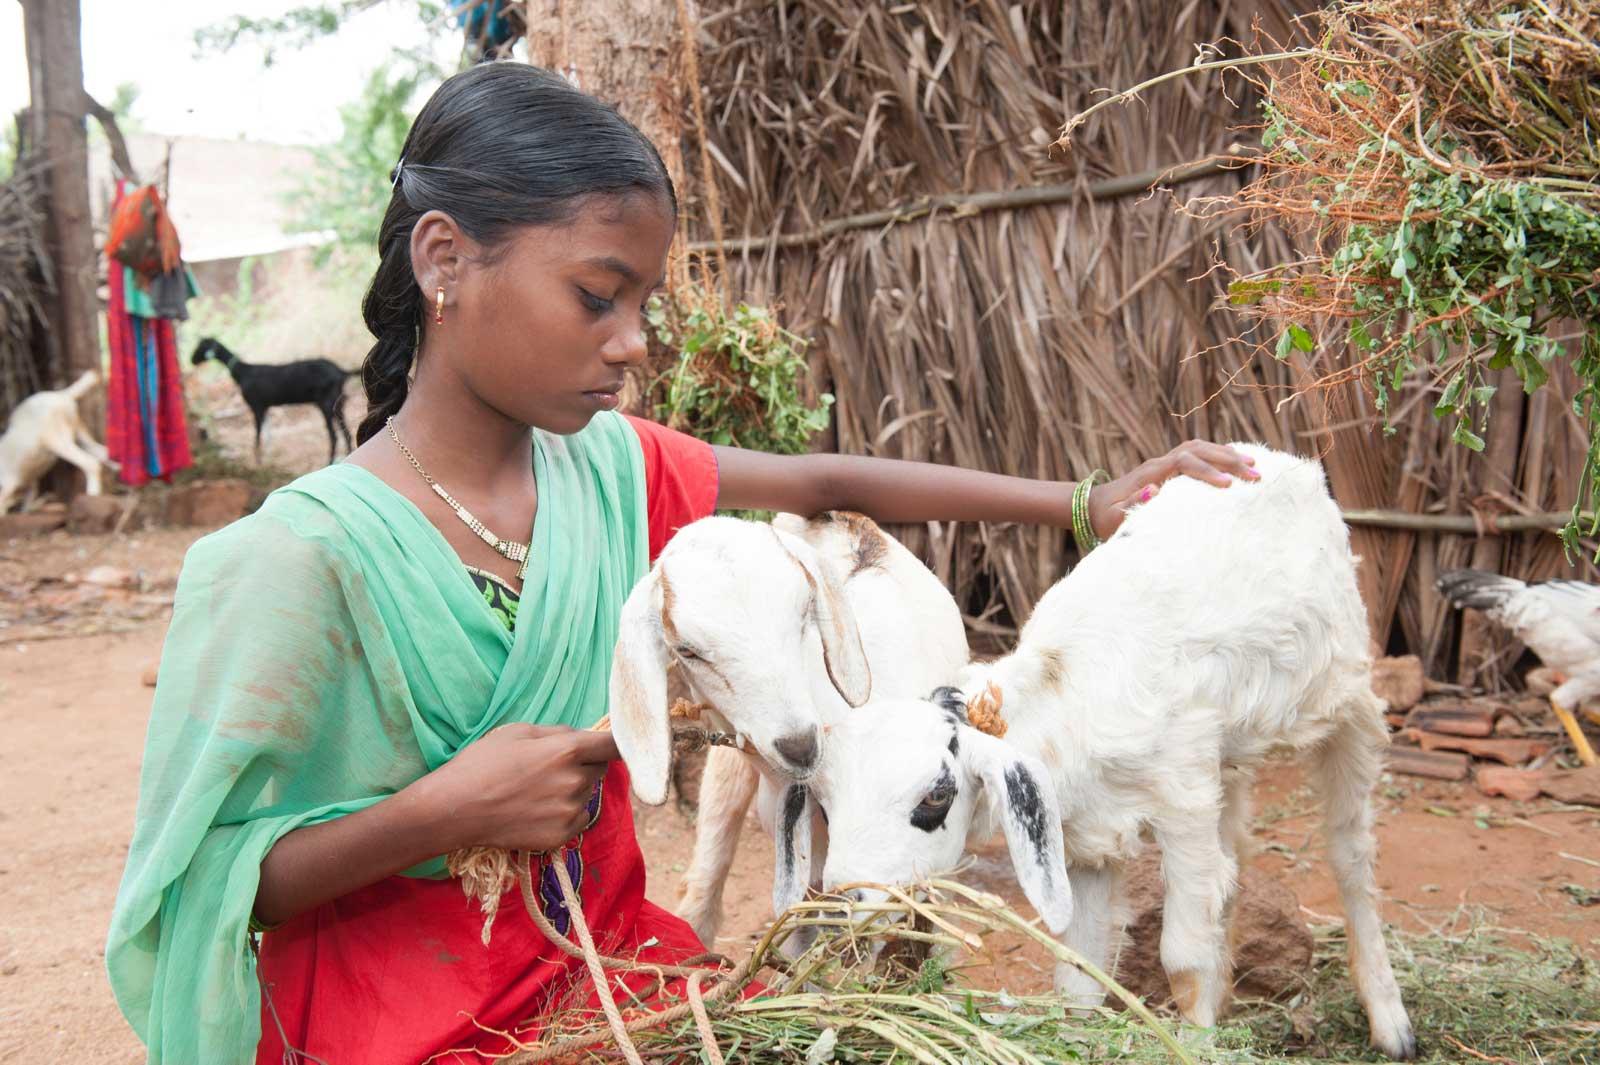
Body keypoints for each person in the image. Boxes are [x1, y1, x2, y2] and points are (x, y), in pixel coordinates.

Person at [106, 62, 1259, 1065]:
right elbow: (202, 885)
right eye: (596, 296)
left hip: (619, 982)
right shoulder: (293, 560)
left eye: (643, 302)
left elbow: (822, 484)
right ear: (446, 260)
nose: (633, 341)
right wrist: (439, 814)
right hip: (399, 1020)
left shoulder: (609, 473)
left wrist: (1085, 501)